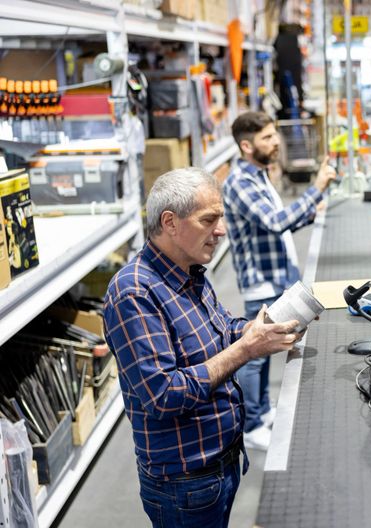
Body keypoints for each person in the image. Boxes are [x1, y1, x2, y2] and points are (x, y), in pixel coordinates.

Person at [103, 167, 302, 527]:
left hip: (221, 465)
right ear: (170, 222)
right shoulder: (133, 293)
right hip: (185, 485)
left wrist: (260, 330)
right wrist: (247, 349)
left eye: (220, 219)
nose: (221, 230)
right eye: (208, 220)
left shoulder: (190, 272)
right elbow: (164, 395)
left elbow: (222, 331)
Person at [222, 111, 337, 450]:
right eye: (268, 137)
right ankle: (251, 424)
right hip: (261, 280)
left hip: (276, 274)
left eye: (275, 135)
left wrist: (309, 213)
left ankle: (260, 410)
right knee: (254, 353)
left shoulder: (258, 176)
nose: (276, 142)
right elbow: (275, 221)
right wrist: (316, 189)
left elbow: (277, 225)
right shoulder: (239, 182)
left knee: (265, 349)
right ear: (247, 145)